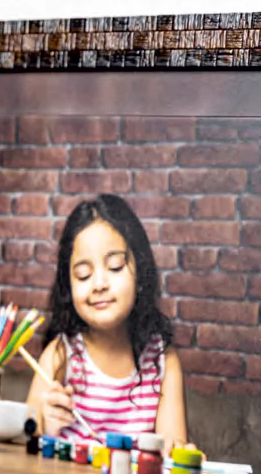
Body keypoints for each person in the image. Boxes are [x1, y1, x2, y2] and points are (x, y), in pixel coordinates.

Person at [25, 193, 193, 457]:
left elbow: (173, 452)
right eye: (83, 274)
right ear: (68, 285)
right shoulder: (61, 354)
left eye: (115, 267)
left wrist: (183, 458)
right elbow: (28, 436)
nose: (99, 284)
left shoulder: (163, 361)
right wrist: (46, 426)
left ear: (140, 275)